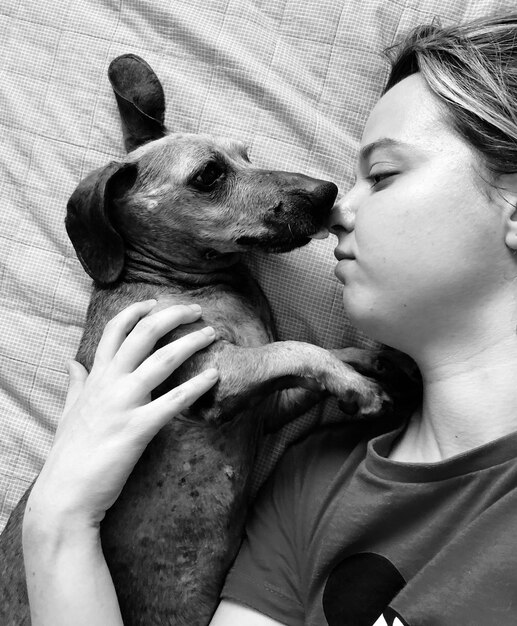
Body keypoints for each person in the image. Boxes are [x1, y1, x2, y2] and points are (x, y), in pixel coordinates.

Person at [22, 12, 517, 625]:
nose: (334, 205)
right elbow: (213, 393)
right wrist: (58, 521)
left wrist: (56, 523)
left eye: (384, 175)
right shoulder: (311, 483)